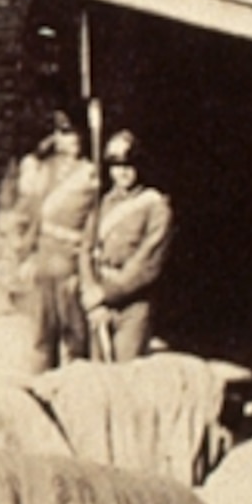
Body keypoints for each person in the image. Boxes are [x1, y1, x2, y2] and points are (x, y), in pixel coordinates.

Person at [2, 108, 101, 372]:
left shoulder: (90, 174)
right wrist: (25, 255)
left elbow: (93, 222)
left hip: (71, 262)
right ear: (56, 137)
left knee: (75, 335)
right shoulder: (43, 170)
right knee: (42, 335)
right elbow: (29, 214)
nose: (74, 140)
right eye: (66, 134)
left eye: (76, 134)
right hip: (44, 259)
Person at [81, 128, 173, 362]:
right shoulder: (103, 203)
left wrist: (105, 294)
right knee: (98, 374)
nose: (122, 172)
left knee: (126, 374)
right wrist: (90, 292)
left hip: (133, 306)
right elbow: (86, 249)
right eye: (116, 165)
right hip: (99, 302)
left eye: (129, 165)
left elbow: (147, 263)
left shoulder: (155, 206)